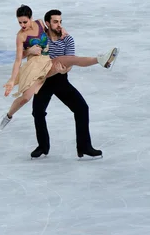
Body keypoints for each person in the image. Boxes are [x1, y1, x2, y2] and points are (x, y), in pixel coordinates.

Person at [0, 4, 118, 139]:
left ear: (31, 18)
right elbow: (18, 59)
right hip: (34, 68)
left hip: (48, 63)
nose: (22, 25)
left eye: (25, 21)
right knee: (25, 98)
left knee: (69, 59)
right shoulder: (20, 36)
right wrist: (13, 79)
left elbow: (54, 30)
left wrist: (62, 29)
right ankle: (8, 116)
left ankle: (101, 60)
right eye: (20, 22)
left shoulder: (40, 23)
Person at [25, 9, 111, 159]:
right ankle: (43, 147)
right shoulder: (41, 38)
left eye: (60, 22)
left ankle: (84, 147)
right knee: (37, 112)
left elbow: (71, 62)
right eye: (55, 22)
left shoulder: (68, 39)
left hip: (60, 79)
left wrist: (64, 71)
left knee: (82, 108)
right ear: (48, 23)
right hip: (43, 81)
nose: (59, 25)